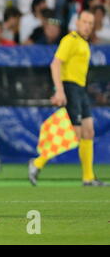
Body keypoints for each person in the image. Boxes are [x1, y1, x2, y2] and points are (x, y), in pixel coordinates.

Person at [28, 10, 109, 187]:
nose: (88, 26)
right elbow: (55, 64)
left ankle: (88, 177)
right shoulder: (70, 40)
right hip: (70, 88)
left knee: (89, 132)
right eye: (85, 22)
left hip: (80, 90)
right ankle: (37, 162)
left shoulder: (83, 42)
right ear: (77, 22)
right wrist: (60, 91)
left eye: (91, 23)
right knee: (75, 133)